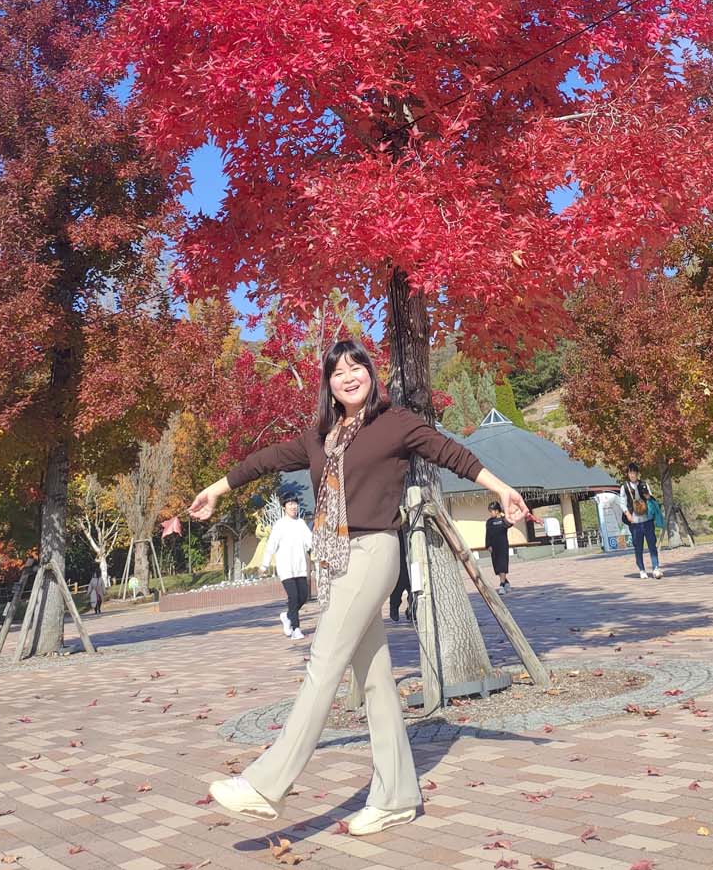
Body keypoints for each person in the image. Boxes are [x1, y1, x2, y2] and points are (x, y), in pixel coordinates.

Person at [189, 338, 529, 837]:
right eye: (338, 372)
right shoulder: (321, 437)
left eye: (357, 367)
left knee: (324, 660)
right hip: (337, 559)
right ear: (328, 384)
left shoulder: (395, 423)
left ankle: (266, 784)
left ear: (371, 373)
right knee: (373, 679)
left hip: (374, 553)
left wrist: (499, 487)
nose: (349, 377)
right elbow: (264, 460)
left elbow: (449, 452)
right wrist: (216, 490)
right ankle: (395, 796)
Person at [261, 496, 314, 639]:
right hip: (286, 568)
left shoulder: (301, 523)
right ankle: (296, 629)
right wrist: (264, 565)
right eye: (290, 504)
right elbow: (271, 546)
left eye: (295, 504)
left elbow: (310, 542)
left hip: (300, 567)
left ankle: (287, 616)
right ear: (284, 507)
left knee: (303, 597)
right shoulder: (280, 525)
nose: (293, 506)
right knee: (293, 596)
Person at [619, 462, 662, 579]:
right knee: (638, 546)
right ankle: (642, 569)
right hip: (634, 521)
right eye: (630, 473)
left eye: (634, 473)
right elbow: (622, 503)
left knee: (652, 544)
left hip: (647, 519)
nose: (632, 475)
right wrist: (628, 514)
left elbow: (650, 498)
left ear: (637, 473)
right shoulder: (624, 487)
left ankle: (656, 568)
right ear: (627, 474)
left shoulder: (644, 484)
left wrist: (647, 495)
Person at [484, 500, 513, 590]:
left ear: (497, 511)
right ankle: (506, 582)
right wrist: (488, 545)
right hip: (494, 546)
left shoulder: (503, 520)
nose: (490, 513)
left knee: (502, 565)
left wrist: (504, 515)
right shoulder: (489, 522)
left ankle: (502, 585)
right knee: (497, 568)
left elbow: (510, 523)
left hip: (503, 545)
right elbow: (487, 534)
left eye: (491, 511)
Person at [387, 522, 411, 624]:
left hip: (412, 561)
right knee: (397, 587)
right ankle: (394, 608)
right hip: (399, 564)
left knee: (414, 589)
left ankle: (412, 611)